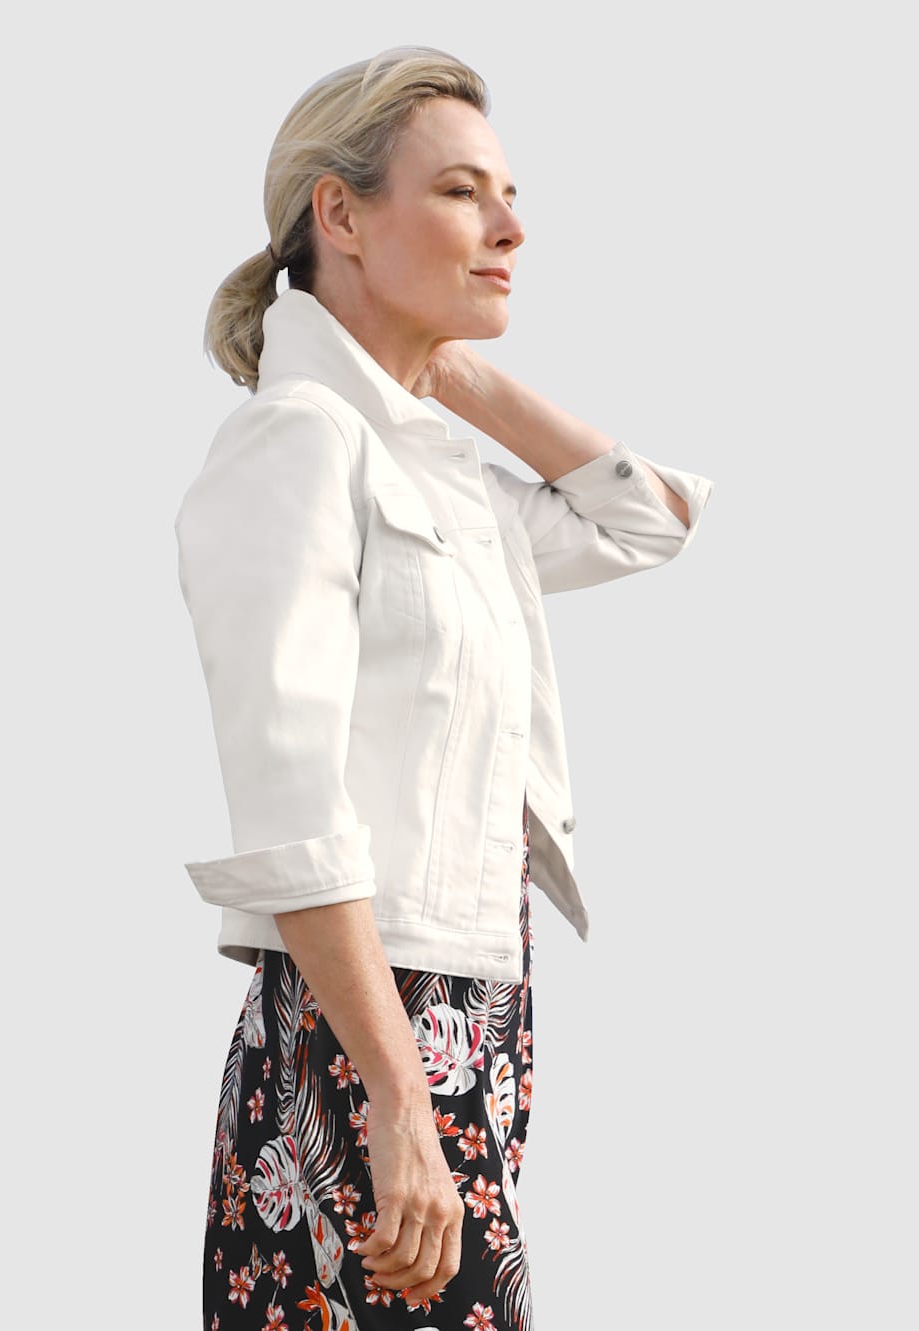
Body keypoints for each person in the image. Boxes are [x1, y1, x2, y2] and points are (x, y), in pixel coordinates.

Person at [174, 45, 714, 1331]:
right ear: (342, 214)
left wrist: (444, 367)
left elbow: (648, 518)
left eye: (508, 195)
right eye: (464, 193)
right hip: (374, 1034)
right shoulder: (296, 446)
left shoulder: (434, 472)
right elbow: (290, 809)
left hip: (465, 1016)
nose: (510, 228)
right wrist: (398, 1094)